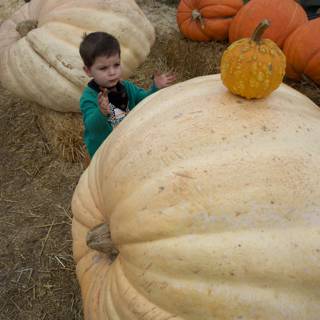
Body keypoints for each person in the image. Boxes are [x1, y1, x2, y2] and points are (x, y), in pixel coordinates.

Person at [79, 31, 176, 158]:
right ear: (88, 71)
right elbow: (92, 127)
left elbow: (143, 102)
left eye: (116, 65)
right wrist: (101, 112)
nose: (112, 72)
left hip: (128, 141)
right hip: (105, 153)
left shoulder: (127, 87)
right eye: (103, 68)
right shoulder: (89, 97)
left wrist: (155, 88)